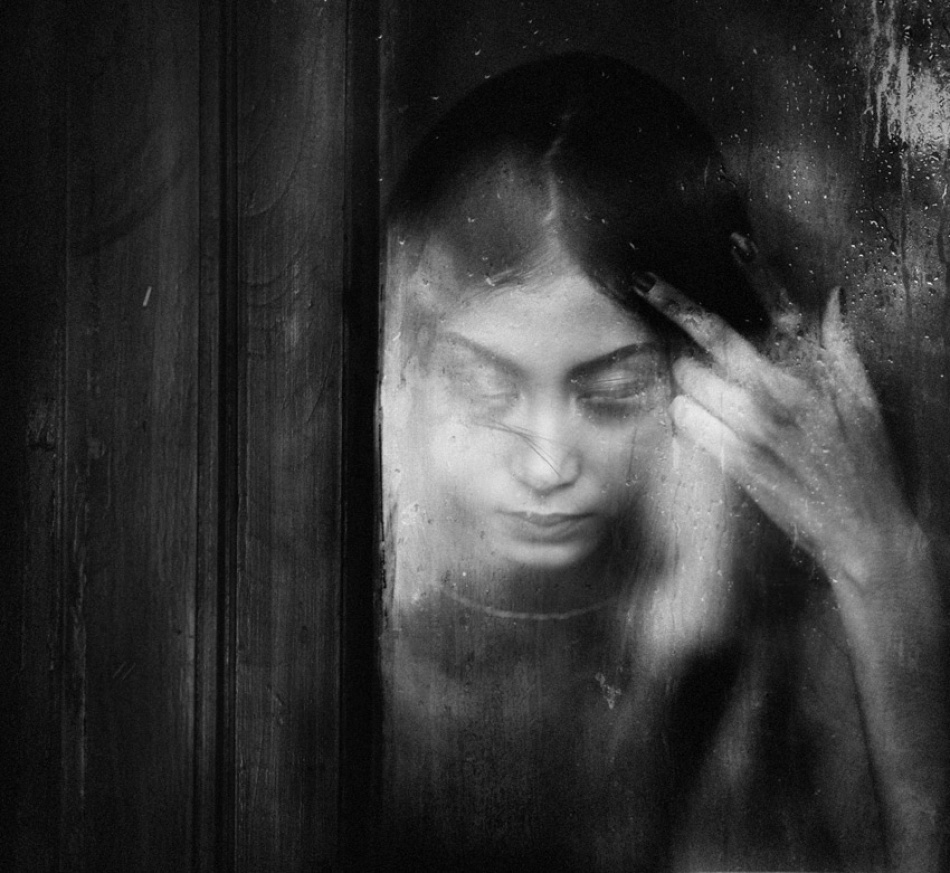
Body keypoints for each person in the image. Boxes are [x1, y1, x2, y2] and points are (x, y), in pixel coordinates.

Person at [379, 53, 947, 872]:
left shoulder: (784, 651)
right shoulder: (359, 616)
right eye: (485, 387)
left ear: (717, 379)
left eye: (615, 393)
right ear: (409, 361)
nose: (547, 462)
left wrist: (879, 561)